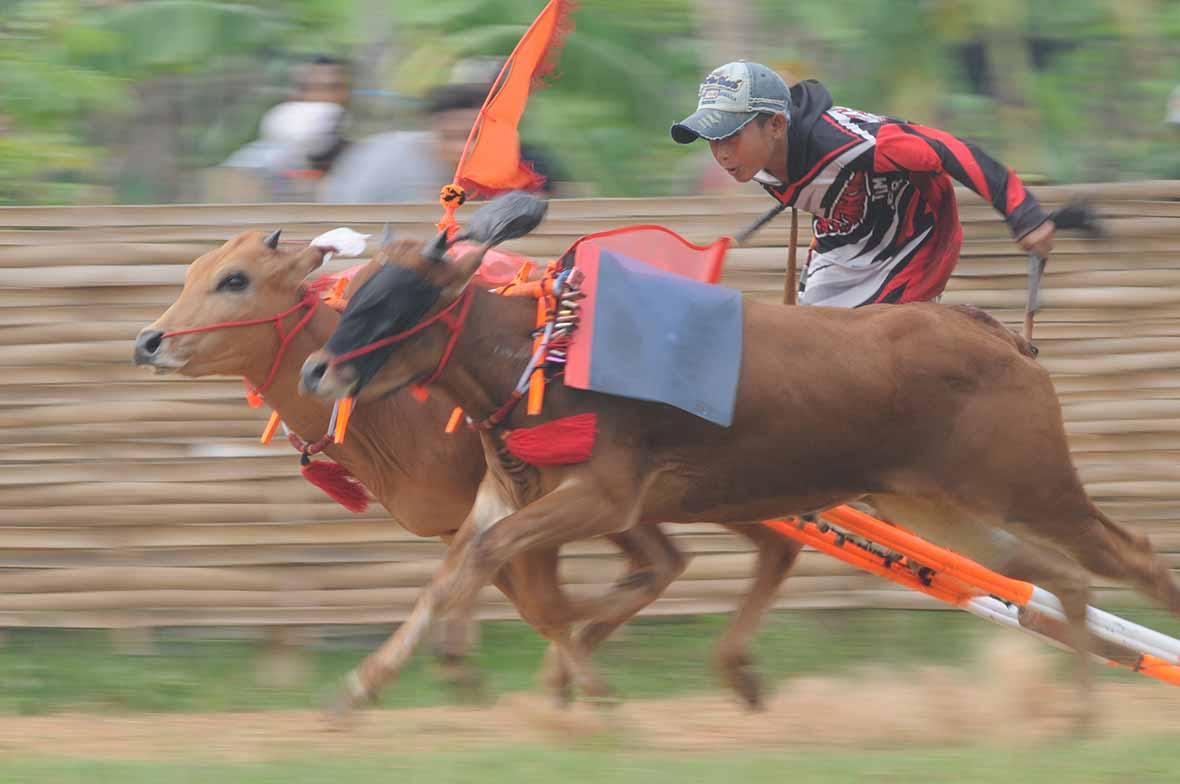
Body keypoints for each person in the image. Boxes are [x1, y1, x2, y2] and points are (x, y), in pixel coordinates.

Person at [671, 61, 1056, 306]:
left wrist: (1024, 214)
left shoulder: (855, 144)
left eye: (731, 134)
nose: (720, 153)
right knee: (804, 346)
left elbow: (948, 149)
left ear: (775, 125)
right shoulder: (754, 160)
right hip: (844, 241)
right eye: (712, 138)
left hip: (913, 240)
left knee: (873, 355)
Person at [321, 80, 567, 204]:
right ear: (432, 134)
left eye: (477, 138)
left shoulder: (521, 171)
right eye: (454, 137)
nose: (465, 149)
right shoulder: (380, 163)